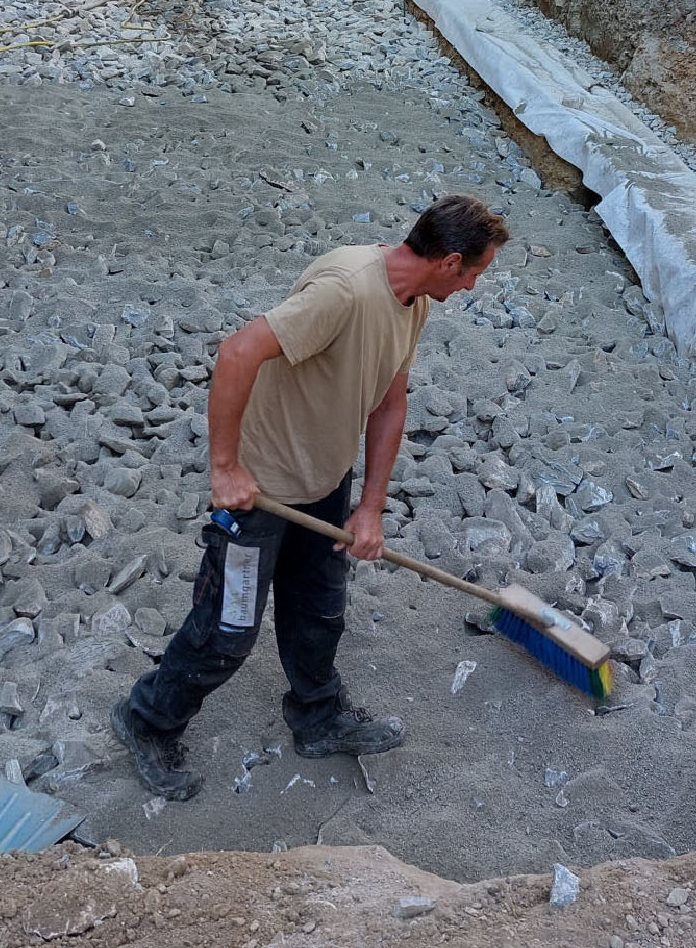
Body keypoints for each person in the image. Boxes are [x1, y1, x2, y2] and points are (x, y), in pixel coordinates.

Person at [112, 194, 509, 801]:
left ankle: (317, 716)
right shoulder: (346, 290)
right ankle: (146, 720)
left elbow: (389, 401)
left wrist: (371, 505)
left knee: (320, 610)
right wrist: (226, 468)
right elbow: (238, 351)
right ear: (451, 261)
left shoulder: (413, 303)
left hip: (324, 483)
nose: (475, 286)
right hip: (258, 494)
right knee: (227, 630)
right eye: (477, 272)